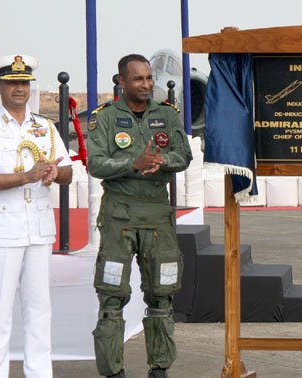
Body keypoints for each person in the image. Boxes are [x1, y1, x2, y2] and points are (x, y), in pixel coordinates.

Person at [87, 54, 192, 378]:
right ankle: (112, 371)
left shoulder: (167, 115)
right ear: (121, 82)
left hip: (157, 214)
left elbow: (184, 155)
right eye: (138, 79)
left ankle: (159, 368)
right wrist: (133, 164)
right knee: (112, 296)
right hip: (119, 215)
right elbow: (96, 164)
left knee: (162, 294)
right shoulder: (104, 118)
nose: (146, 84)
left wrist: (164, 161)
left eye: (149, 78)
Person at [0, 54, 73, 378]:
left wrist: (54, 172)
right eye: (12, 82)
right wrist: (26, 176)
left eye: (24, 82)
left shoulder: (45, 126)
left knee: (39, 310)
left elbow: (68, 172)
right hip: (1, 230)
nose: (19, 88)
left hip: (38, 228)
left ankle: (39, 373)